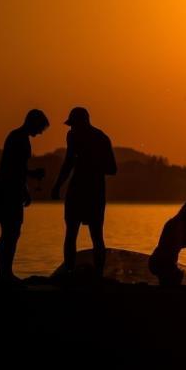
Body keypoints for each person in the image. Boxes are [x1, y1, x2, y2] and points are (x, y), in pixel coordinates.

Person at [51, 107, 117, 279]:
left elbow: (112, 168)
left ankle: (98, 275)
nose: (72, 128)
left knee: (96, 235)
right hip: (77, 190)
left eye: (74, 124)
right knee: (71, 233)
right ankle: (69, 272)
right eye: (71, 125)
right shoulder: (72, 136)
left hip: (94, 191)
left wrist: (91, 163)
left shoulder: (101, 138)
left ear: (84, 122)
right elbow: (68, 162)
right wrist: (57, 186)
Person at [0, 109, 49, 282]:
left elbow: (17, 168)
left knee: (12, 232)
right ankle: (4, 274)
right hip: (6, 191)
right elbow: (14, 168)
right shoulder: (19, 139)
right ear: (33, 122)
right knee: (10, 232)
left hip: (11, 190)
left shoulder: (19, 137)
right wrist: (30, 178)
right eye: (40, 128)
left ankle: (5, 273)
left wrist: (25, 187)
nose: (40, 133)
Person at [149, 199, 186, 287]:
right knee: (176, 276)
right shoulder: (174, 224)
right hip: (159, 261)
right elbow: (172, 246)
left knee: (176, 276)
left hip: (169, 263)